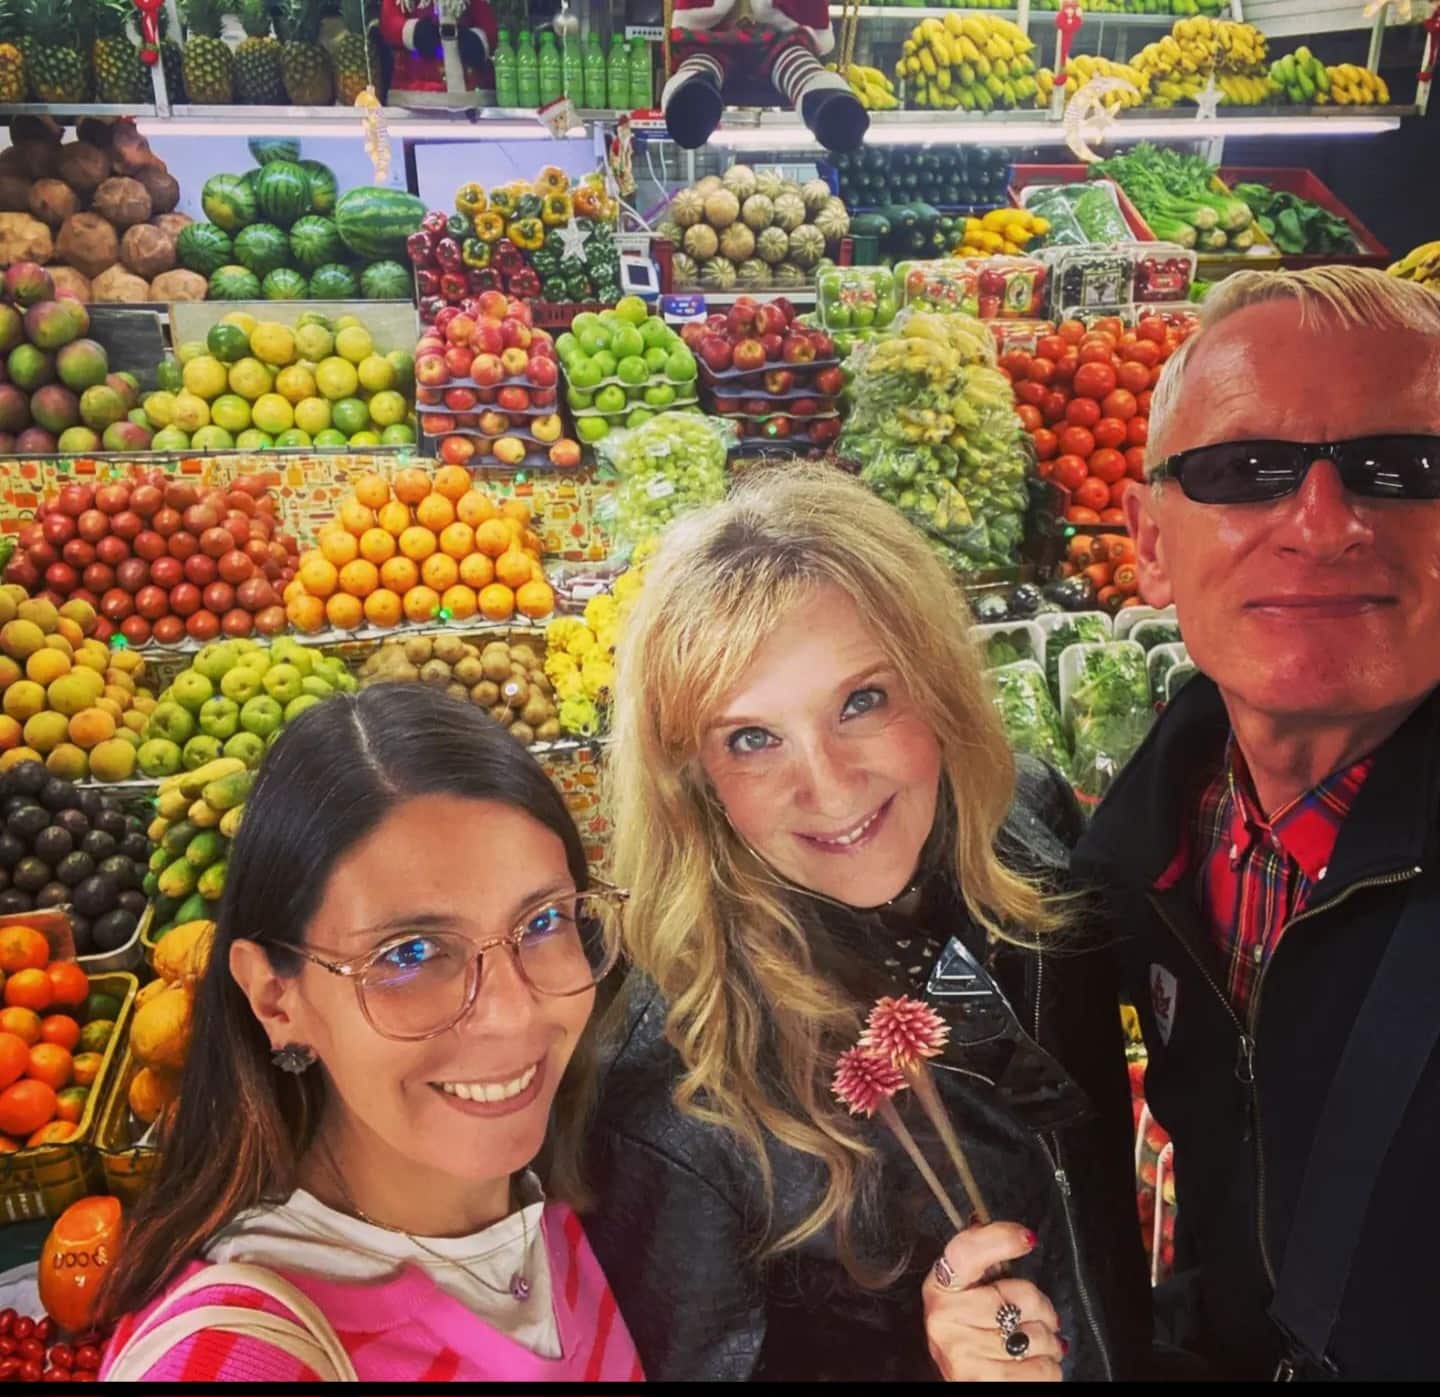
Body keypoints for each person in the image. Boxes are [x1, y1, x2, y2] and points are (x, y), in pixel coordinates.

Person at [585, 464, 1148, 1382]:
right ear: (694, 778)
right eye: (753, 739)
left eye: (862, 700)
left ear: (934, 681)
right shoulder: (678, 1091)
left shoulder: (1028, 836)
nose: (831, 785)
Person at [1075, 265, 1440, 1381]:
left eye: (1406, 469)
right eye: (1246, 471)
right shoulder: (1145, 845)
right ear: (1146, 541)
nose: (1325, 524)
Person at [97, 684, 640, 1382]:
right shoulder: (232, 1363)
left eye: (542, 922)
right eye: (409, 953)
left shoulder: (558, 1200)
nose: (514, 1013)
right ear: (275, 998)